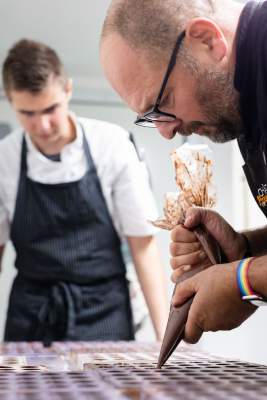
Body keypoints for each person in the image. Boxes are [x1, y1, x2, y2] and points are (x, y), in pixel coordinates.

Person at [100, 0, 267, 344]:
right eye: (150, 118)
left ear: (207, 40)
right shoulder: (242, 100)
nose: (165, 132)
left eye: (162, 103)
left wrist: (244, 281)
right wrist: (244, 248)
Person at [0, 39, 169, 343]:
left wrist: (166, 339)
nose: (43, 125)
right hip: (31, 314)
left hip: (104, 310)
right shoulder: (4, 159)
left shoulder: (113, 145)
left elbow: (142, 246)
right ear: (10, 101)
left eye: (50, 108)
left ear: (68, 90)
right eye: (27, 113)